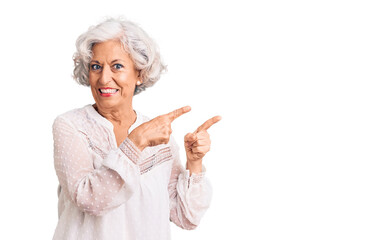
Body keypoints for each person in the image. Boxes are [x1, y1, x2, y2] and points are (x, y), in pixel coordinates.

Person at [52, 18, 221, 240]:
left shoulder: (159, 136)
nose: (104, 78)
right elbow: (90, 199)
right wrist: (135, 143)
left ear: (139, 73)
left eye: (117, 66)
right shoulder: (71, 126)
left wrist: (194, 162)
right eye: (96, 66)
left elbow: (185, 217)